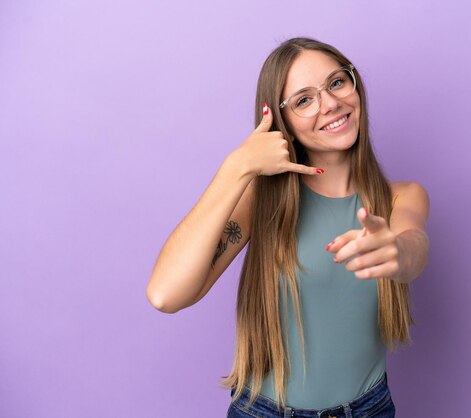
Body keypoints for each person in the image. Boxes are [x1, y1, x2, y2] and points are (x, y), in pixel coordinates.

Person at [146, 37, 430, 417]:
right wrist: (237, 168)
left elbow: (414, 244)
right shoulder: (260, 203)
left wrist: (397, 253)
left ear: (355, 85)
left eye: (336, 82)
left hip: (369, 409)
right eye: (303, 100)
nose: (330, 103)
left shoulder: (401, 197)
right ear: (284, 125)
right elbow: (166, 294)